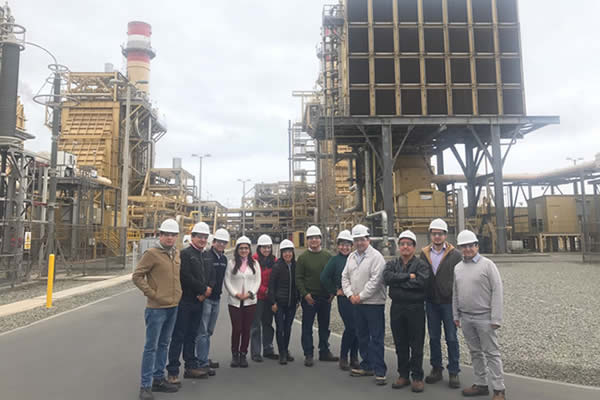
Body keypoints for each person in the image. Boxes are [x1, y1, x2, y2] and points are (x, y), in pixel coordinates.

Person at [132, 219, 183, 400]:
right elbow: (137, 276)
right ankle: (145, 386)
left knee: (164, 344)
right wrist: (152, 294)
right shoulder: (152, 254)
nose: (170, 238)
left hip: (173, 306)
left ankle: (158, 378)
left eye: (173, 235)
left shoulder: (176, 254)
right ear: (160, 235)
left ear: (177, 237)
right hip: (156, 308)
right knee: (151, 347)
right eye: (166, 234)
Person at [453, 230, 506, 400]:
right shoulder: (458, 268)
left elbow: (497, 291)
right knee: (475, 352)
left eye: (471, 245)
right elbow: (455, 292)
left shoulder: (488, 265)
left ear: (476, 246)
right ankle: (481, 384)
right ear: (460, 248)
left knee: (492, 353)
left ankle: (499, 389)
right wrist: (456, 314)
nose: (467, 249)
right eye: (464, 246)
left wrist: (496, 318)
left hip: (485, 317)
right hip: (466, 317)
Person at [383, 230, 430, 393]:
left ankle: (417, 377)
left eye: (408, 244)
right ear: (398, 246)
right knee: (400, 343)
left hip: (415, 309)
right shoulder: (392, 264)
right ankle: (403, 375)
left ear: (414, 247)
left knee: (416, 344)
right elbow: (387, 278)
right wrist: (408, 277)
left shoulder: (421, 265)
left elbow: (422, 284)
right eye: (402, 244)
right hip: (397, 308)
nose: (405, 247)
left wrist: (399, 281)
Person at [166, 222, 212, 386]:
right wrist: (202, 290)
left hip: (199, 301)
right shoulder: (186, 254)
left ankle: (191, 366)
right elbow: (185, 277)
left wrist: (206, 291)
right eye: (200, 236)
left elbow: (209, 275)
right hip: (185, 301)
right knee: (179, 335)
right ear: (192, 237)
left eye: (205, 237)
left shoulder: (205, 255)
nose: (202, 239)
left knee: (192, 335)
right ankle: (172, 371)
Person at [342, 224, 387, 386]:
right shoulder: (352, 257)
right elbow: (344, 277)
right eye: (356, 240)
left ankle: (380, 370)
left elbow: (376, 281)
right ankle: (367, 365)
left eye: (362, 239)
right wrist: (349, 294)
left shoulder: (377, 257)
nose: (359, 243)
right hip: (357, 303)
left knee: (376, 337)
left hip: (373, 304)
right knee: (362, 336)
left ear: (368, 239)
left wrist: (359, 296)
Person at [420, 218, 462, 388]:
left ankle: (454, 372)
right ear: (430, 235)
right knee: (434, 337)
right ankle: (436, 369)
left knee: (451, 338)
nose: (437, 237)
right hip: (431, 302)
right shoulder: (424, 253)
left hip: (448, 303)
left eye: (440, 234)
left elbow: (460, 279)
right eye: (434, 233)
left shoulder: (455, 255)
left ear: (445, 235)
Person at [296, 225, 337, 366]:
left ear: (320, 239)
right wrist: (305, 294)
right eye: (311, 238)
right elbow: (299, 278)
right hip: (309, 298)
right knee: (307, 327)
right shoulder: (303, 258)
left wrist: (332, 293)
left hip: (325, 298)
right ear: (307, 240)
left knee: (324, 326)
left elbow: (333, 275)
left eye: (316, 238)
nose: (314, 240)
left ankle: (324, 351)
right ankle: (308, 353)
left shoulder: (327, 256)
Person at [320, 229, 359, 371]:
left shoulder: (356, 258)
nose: (345, 247)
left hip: (357, 298)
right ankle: (344, 357)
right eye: (342, 244)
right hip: (344, 300)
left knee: (358, 328)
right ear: (338, 246)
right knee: (351, 327)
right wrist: (335, 290)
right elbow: (324, 277)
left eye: (348, 244)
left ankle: (355, 357)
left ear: (352, 245)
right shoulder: (335, 261)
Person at [224, 236, 262, 368]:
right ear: (237, 249)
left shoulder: (255, 264)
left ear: (249, 249)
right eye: (241, 248)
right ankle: (235, 354)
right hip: (234, 301)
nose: (244, 250)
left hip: (250, 301)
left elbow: (258, 280)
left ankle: (243, 354)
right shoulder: (231, 263)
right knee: (237, 329)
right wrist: (235, 294)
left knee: (246, 329)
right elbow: (227, 280)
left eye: (246, 248)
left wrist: (250, 293)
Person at [197, 228, 229, 375]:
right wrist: (203, 291)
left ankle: (204, 357)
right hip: (207, 299)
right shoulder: (206, 256)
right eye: (219, 242)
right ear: (214, 242)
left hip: (217, 298)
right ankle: (201, 362)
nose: (221, 244)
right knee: (202, 332)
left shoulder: (224, 259)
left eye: (224, 242)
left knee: (209, 331)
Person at [268, 239, 299, 365]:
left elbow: (298, 284)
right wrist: (273, 302)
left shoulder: (296, 266)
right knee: (280, 328)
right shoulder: (277, 267)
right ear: (281, 253)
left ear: (293, 252)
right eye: (285, 252)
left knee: (288, 328)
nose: (288, 254)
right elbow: (271, 286)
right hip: (279, 303)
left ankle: (286, 350)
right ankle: (282, 353)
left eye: (290, 251)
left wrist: (298, 299)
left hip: (291, 303)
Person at [250, 234, 278, 362]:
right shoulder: (253, 261)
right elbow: (251, 279)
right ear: (259, 248)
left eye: (268, 247)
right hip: (257, 297)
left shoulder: (274, 260)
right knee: (255, 325)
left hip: (269, 298)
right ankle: (256, 352)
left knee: (268, 323)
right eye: (264, 247)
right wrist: (263, 290)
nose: (266, 250)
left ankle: (268, 348)